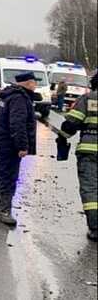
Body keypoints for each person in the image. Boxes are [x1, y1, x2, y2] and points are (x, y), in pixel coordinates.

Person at [0, 72, 37, 226]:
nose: (36, 85)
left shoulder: (9, 95)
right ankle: (5, 211)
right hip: (10, 144)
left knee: (0, 171)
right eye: (34, 82)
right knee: (9, 176)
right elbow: (17, 123)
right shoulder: (19, 98)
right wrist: (22, 146)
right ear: (27, 83)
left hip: (1, 141)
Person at [56, 70, 98, 241]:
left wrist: (62, 138)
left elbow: (70, 125)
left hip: (90, 152)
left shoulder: (88, 99)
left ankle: (96, 228)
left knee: (91, 190)